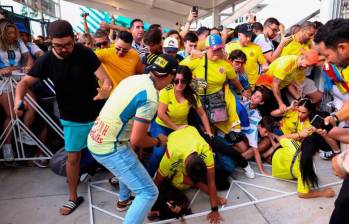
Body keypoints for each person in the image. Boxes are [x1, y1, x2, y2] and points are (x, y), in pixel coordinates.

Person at [14, 20, 112, 215]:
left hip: (97, 113)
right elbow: (23, 83)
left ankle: (124, 192)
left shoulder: (85, 53)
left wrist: (105, 90)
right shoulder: (47, 60)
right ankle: (73, 197)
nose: (64, 49)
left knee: (112, 152)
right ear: (51, 42)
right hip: (72, 117)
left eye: (68, 44)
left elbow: (106, 80)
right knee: (73, 158)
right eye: (58, 45)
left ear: (74, 39)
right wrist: (18, 101)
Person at [87, 54, 178, 224]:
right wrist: (158, 141)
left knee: (130, 164)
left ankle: (123, 200)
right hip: (111, 148)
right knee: (149, 192)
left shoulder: (134, 79)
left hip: (96, 138)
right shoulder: (150, 97)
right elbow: (138, 140)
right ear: (170, 77)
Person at [148, 65, 212, 177]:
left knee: (189, 150)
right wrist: (176, 128)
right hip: (162, 125)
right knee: (160, 151)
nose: (179, 84)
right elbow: (161, 114)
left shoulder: (191, 95)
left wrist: (209, 131)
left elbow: (201, 113)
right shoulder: (166, 91)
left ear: (188, 81)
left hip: (181, 127)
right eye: (176, 81)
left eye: (183, 81)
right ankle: (149, 175)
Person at [154, 126, 225, 224]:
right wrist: (153, 206)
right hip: (176, 137)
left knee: (223, 183)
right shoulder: (171, 158)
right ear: (184, 169)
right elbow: (156, 182)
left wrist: (214, 209)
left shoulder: (205, 150)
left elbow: (210, 181)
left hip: (188, 130)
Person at [0, 20, 33, 160]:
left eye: (14, 32)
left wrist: (28, 65)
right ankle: (7, 147)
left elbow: (28, 57)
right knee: (11, 114)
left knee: (32, 105)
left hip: (19, 80)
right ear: (3, 33)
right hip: (4, 82)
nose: (13, 35)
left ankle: (24, 134)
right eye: (10, 33)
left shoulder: (19, 43)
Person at [271, 132, 336, 198]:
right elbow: (302, 194)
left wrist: (299, 134)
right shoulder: (305, 169)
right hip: (281, 174)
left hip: (276, 161)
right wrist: (322, 193)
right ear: (316, 153)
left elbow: (280, 138)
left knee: (283, 147)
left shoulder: (294, 145)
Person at [256, 50, 320, 114]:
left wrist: (299, 99)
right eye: (307, 65)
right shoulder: (286, 64)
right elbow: (274, 84)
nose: (306, 67)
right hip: (264, 87)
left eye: (308, 66)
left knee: (287, 111)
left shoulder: (300, 66)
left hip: (278, 88)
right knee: (270, 112)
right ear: (302, 57)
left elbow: (289, 84)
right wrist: (280, 103)